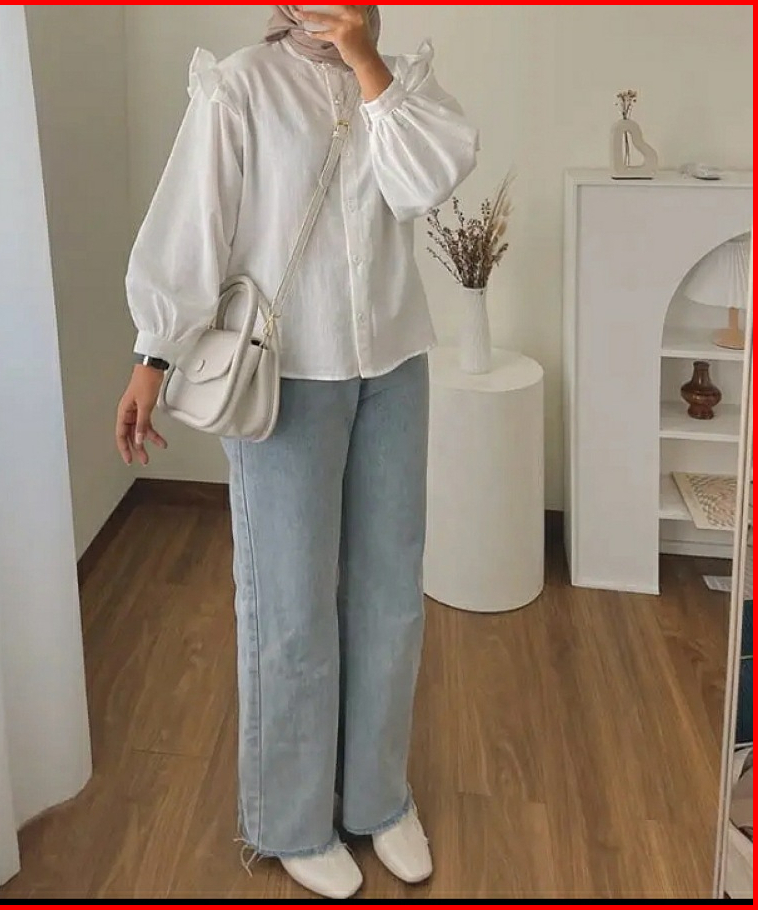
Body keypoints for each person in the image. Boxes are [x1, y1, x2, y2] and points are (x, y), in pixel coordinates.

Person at [116, 5, 478, 899]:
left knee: (391, 594)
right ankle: (292, 819)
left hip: (393, 363)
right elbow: (192, 222)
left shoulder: (402, 83)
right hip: (286, 376)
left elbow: (425, 185)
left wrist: (363, 58)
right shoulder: (239, 84)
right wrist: (154, 355)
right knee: (290, 604)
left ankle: (379, 800)